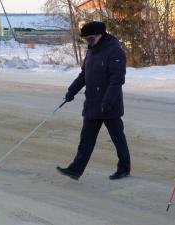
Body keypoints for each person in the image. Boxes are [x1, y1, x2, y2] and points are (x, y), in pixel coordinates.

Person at [57, 21, 131, 180]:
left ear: (100, 35)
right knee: (86, 139)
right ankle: (75, 170)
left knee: (117, 138)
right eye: (86, 40)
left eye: (90, 39)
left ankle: (124, 168)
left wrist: (108, 101)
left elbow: (117, 79)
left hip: (109, 105)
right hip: (92, 103)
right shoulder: (91, 52)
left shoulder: (115, 51)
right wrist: (71, 91)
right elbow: (84, 75)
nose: (88, 43)